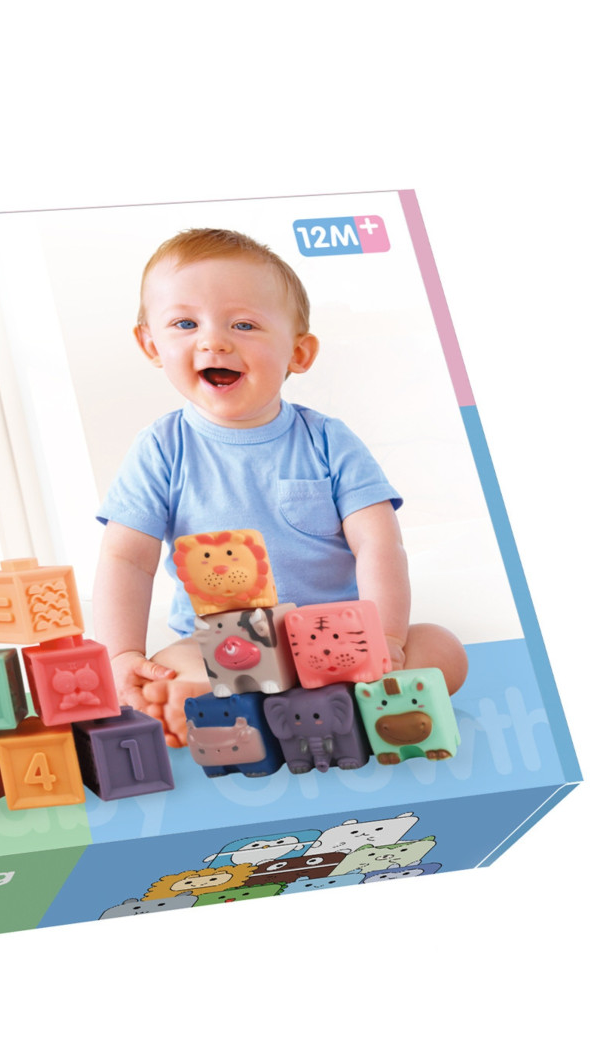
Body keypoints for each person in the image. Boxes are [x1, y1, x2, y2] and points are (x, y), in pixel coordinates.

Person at [92, 228, 466, 748]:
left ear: (299, 352)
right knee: (170, 668)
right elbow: (126, 559)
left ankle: (300, 708)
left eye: (243, 324)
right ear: (151, 344)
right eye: (185, 323)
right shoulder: (160, 449)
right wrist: (121, 655)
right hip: (227, 648)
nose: (214, 341)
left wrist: (387, 637)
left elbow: (379, 543)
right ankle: (298, 711)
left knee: (443, 649)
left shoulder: (328, 440)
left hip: (341, 641)